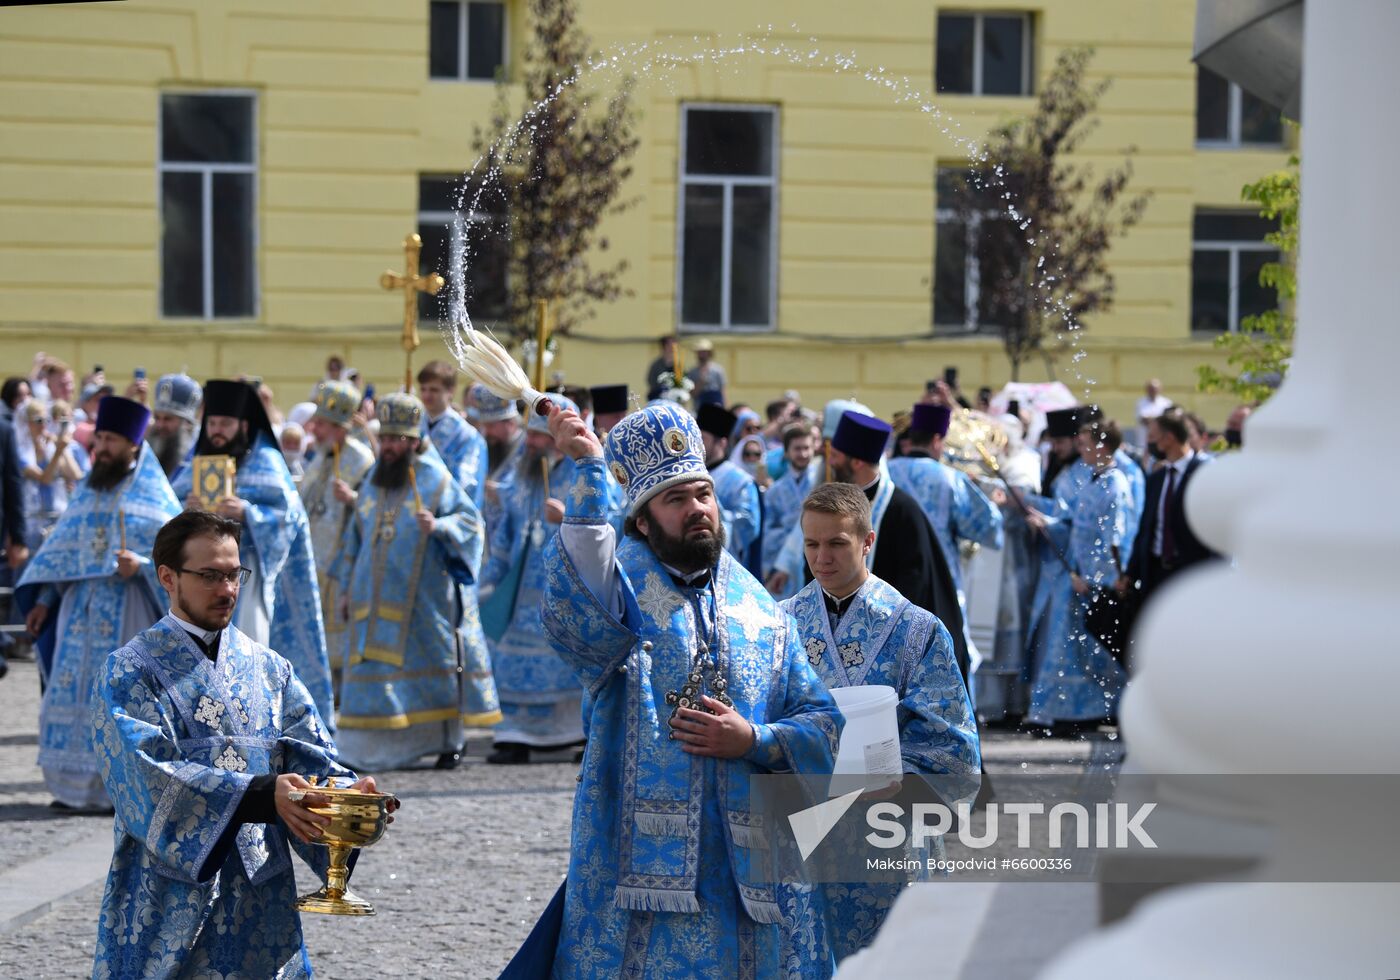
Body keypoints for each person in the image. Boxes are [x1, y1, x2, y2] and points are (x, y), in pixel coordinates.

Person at [529, 399, 841, 977]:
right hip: (637, 873)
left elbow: (824, 724)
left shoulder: (761, 611)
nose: (698, 509)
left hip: (746, 878)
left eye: (703, 494)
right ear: (642, 520)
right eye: (676, 500)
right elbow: (576, 595)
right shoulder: (621, 587)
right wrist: (591, 472)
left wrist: (754, 738)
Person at [89, 510, 394, 979]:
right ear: (168, 577)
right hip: (168, 895)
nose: (228, 590)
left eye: (234, 574)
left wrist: (345, 800)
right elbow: (146, 772)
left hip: (259, 893)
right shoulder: (129, 671)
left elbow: (310, 758)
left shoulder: (271, 669)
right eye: (210, 575)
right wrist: (258, 793)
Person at [780, 483, 980, 964]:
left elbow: (952, 744)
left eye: (836, 543)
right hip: (806, 828)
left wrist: (898, 775)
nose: (821, 558)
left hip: (888, 832)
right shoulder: (780, 624)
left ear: (867, 541)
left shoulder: (917, 629)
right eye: (811, 544)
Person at [17, 397, 179, 808]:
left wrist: (141, 565)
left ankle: (118, 790)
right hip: (80, 612)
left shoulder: (153, 496)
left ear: (133, 445)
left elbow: (178, 559)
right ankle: (72, 788)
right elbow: (65, 551)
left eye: (111, 439)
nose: (101, 447)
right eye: (100, 438)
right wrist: (45, 600)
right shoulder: (87, 491)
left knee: (122, 699)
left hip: (129, 611)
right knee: (71, 695)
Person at [331, 393, 500, 771]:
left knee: (435, 666)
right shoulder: (373, 480)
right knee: (371, 668)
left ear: (413, 440)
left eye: (397, 439)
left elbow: (472, 524)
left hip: (423, 600)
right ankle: (369, 747)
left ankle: (445, 742)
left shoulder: (435, 479)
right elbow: (352, 540)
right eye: (385, 438)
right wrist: (344, 588)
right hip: (369, 598)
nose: (389, 446)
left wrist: (439, 525)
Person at [171, 379, 334, 727]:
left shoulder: (267, 461)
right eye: (212, 423)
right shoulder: (198, 460)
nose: (216, 432)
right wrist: (185, 509)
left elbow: (290, 518)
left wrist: (249, 512)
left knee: (246, 652)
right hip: (200, 580)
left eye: (225, 424)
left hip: (249, 580)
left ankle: (253, 725)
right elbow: (169, 511)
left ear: (243, 425)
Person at [479, 393, 617, 763]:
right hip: (525, 588)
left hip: (570, 587)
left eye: (540, 436)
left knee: (569, 659)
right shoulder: (522, 470)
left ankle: (575, 733)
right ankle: (515, 735)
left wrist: (568, 516)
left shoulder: (586, 467)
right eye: (530, 434)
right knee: (510, 656)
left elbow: (614, 516)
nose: (531, 442)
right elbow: (506, 524)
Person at [783, 410, 971, 682]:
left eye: (835, 456)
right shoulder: (827, 504)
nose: (829, 461)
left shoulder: (902, 510)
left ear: (856, 462)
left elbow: (914, 581)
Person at [1024, 419, 1134, 729]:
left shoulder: (1115, 484)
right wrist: (1046, 522)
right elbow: (1074, 523)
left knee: (1101, 650)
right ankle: (1075, 712)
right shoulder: (1091, 480)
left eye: (1086, 444)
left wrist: (1095, 578)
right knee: (1077, 648)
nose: (1081, 450)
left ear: (1101, 446)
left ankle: (1111, 709)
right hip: (1080, 577)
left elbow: (1115, 539)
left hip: (1097, 583)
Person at [886, 403, 1005, 603]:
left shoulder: (886, 471)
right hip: (937, 575)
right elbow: (986, 527)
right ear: (936, 440)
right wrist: (992, 504)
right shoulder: (951, 479)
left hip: (888, 572)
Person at [298, 380, 375, 682]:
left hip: (342, 564)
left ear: (340, 428)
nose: (314, 430)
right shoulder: (321, 457)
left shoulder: (362, 460)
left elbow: (380, 511)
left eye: (322, 425)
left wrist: (354, 500)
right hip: (312, 559)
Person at [1121, 407, 1218, 602]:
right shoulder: (1156, 479)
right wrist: (1130, 574)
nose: (1150, 442)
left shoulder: (1205, 475)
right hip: (1157, 574)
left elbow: (1215, 531)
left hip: (1191, 577)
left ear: (1169, 438)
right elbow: (1146, 529)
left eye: (1153, 436)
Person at [695, 403, 762, 563]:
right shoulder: (691, 474)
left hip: (729, 562)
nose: (697, 445)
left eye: (703, 439)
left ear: (722, 443)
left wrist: (714, 514)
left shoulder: (740, 481)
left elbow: (749, 525)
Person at [419, 360, 489, 508]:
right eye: (423, 389)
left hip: (445, 511)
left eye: (434, 390)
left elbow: (466, 484)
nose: (426, 395)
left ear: (450, 391)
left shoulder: (466, 435)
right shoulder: (414, 426)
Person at [762, 423, 819, 600]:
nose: (802, 454)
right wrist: (788, 536)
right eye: (797, 449)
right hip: (783, 563)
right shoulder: (775, 490)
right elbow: (767, 530)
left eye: (806, 448)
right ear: (787, 452)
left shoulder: (821, 483)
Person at [17, 398, 84, 546]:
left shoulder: (50, 446)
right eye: (38, 421)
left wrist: (61, 446)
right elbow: (44, 478)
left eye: (46, 420)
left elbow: (75, 474)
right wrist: (58, 451)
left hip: (56, 517)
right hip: (31, 520)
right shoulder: (21, 451)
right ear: (27, 423)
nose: (44, 426)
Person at [146, 372, 202, 477]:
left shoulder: (200, 454)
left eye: (168, 419)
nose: (160, 425)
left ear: (187, 423)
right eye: (157, 418)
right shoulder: (144, 450)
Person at [685, 337, 728, 404]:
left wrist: (725, 406)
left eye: (704, 352)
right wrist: (701, 382)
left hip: (716, 405)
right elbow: (692, 394)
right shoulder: (692, 372)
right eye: (700, 352)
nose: (702, 354)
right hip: (700, 406)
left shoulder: (718, 370)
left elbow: (723, 390)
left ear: (710, 353)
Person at [1134, 378, 1172, 448]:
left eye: (1154, 388)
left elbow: (1167, 421)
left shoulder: (1166, 403)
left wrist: (1151, 419)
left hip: (1161, 441)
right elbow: (1142, 419)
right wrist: (1158, 419)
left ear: (1160, 389)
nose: (1153, 390)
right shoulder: (1140, 402)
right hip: (1144, 441)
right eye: (1150, 388)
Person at [643, 335, 678, 401]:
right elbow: (650, 380)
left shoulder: (678, 365)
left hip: (675, 399)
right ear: (664, 346)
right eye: (670, 345)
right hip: (659, 399)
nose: (673, 348)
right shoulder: (656, 365)